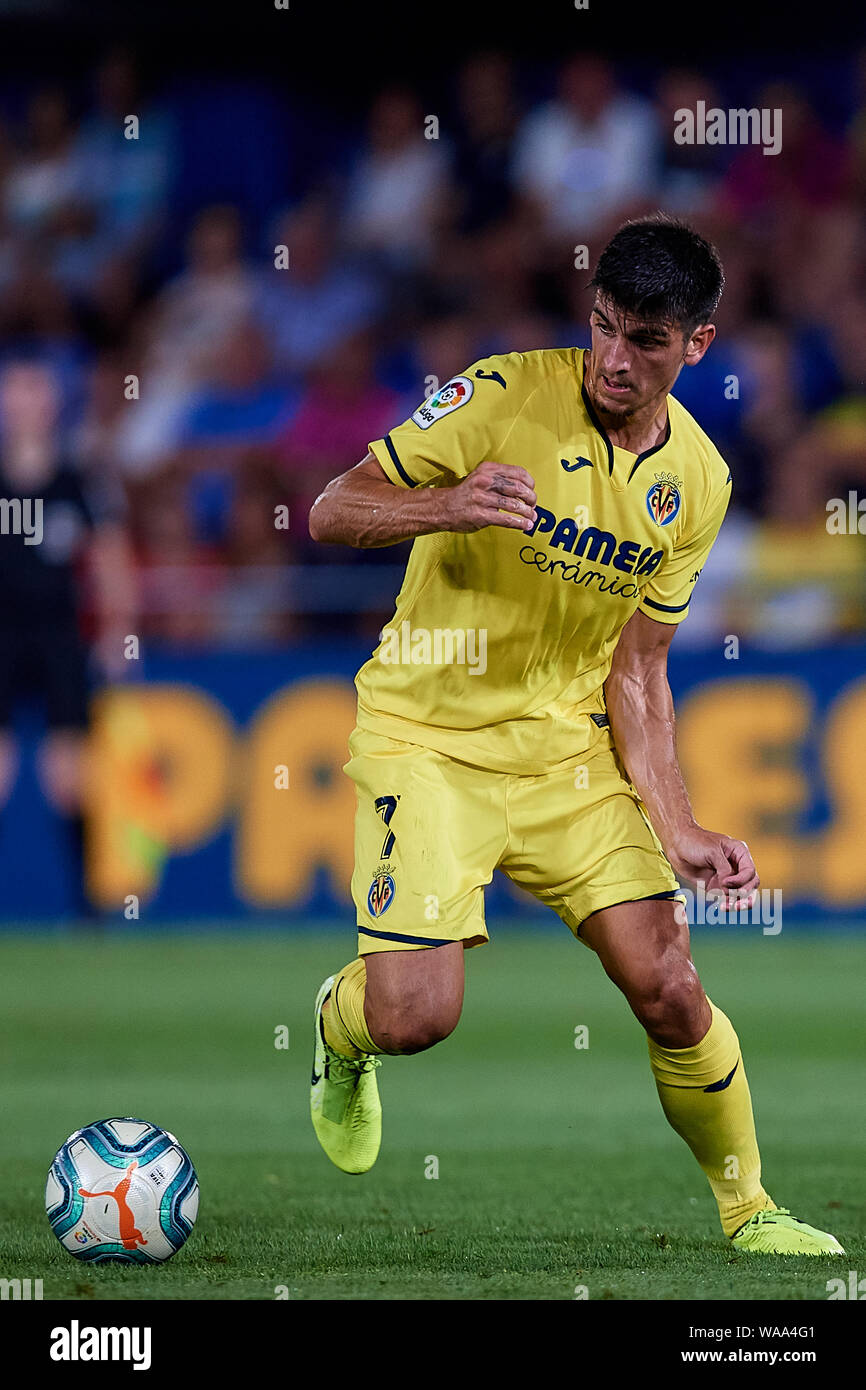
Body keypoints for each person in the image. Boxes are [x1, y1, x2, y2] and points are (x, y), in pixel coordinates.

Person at [306, 215, 843, 1256]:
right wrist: (448, 504)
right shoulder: (498, 396)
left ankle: (748, 1207)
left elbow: (637, 668)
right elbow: (334, 507)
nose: (611, 357)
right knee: (414, 1016)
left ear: (697, 345)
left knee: (669, 983)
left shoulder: (698, 482)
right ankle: (339, 1024)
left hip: (564, 749)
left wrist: (677, 822)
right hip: (427, 734)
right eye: (601, 327)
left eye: (644, 340)